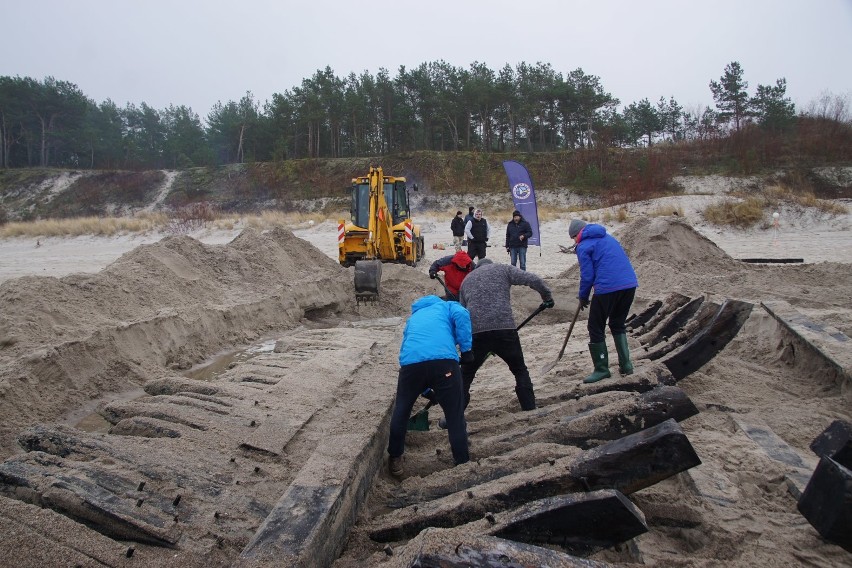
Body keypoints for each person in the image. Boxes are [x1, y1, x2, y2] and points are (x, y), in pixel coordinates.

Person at [387, 295, 473, 477]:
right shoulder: (447, 306)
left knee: (401, 409)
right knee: (454, 415)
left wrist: (426, 391)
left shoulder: (413, 319)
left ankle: (395, 458)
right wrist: (466, 350)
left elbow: (414, 356)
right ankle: (462, 461)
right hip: (444, 362)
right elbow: (463, 314)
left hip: (410, 366)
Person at [458, 259, 554, 411]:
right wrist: (547, 296)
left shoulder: (467, 280)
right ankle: (529, 408)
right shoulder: (502, 269)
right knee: (519, 369)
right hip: (505, 329)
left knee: (466, 375)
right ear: (491, 264)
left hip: (477, 333)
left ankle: (454, 415)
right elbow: (532, 279)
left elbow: (462, 313)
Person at [569, 219, 638, 384]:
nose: (574, 241)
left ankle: (601, 369)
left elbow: (587, 276)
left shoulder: (583, 246)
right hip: (629, 284)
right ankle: (626, 365)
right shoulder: (608, 237)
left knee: (595, 326)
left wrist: (583, 296)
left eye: (573, 238)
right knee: (617, 323)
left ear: (576, 235)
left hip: (607, 287)